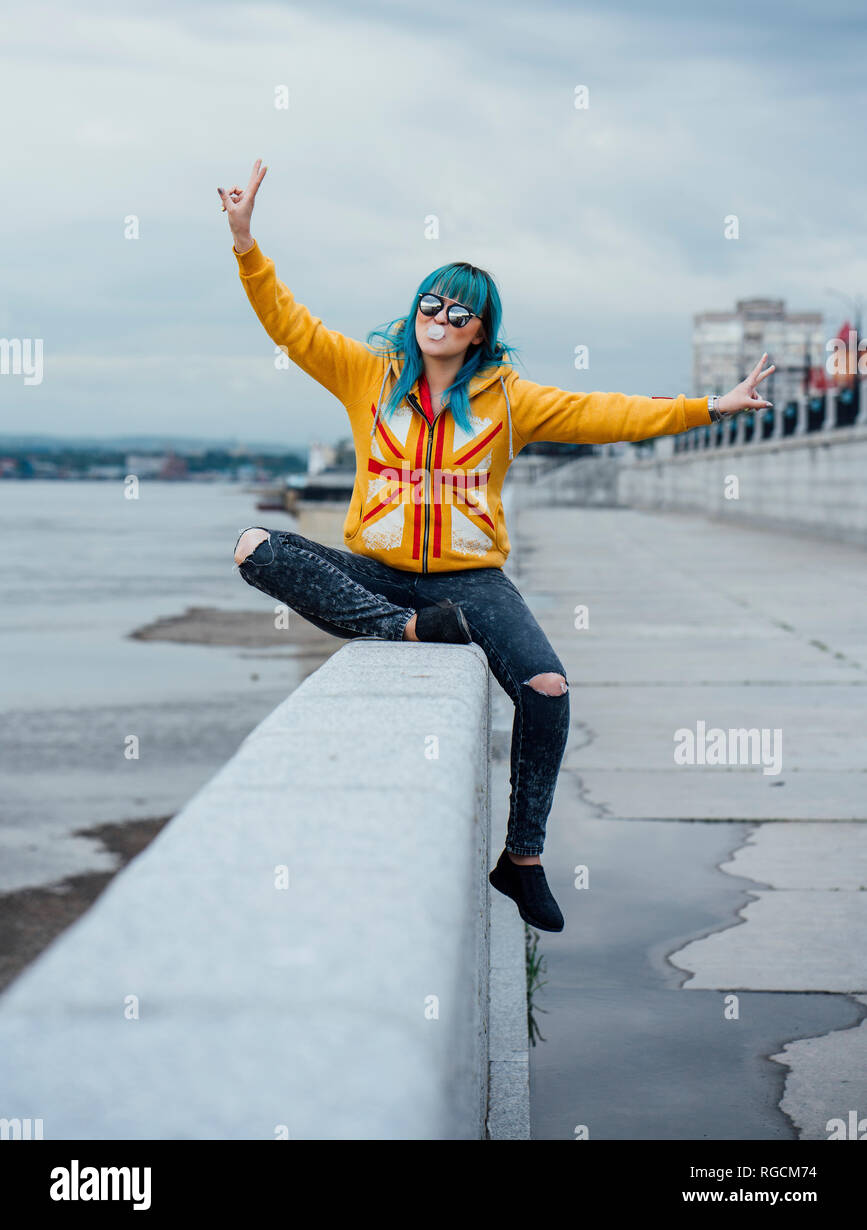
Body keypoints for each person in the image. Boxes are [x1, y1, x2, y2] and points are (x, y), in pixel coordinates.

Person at [218, 160, 775, 932]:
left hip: (471, 583)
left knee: (546, 687)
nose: (438, 317)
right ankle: (400, 630)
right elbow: (289, 323)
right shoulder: (365, 376)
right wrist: (246, 242)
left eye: (457, 311)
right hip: (375, 576)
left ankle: (521, 860)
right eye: (429, 303)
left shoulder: (510, 401)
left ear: (479, 328)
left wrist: (711, 405)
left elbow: (604, 413)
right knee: (256, 546)